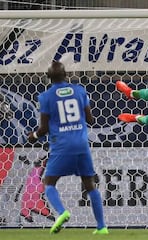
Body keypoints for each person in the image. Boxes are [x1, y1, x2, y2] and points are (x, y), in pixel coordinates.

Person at [27, 61, 108, 235]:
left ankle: (62, 212)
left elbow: (44, 128)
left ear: (49, 77)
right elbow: (91, 120)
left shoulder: (46, 97)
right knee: (90, 185)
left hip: (61, 146)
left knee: (49, 183)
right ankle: (102, 227)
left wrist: (33, 136)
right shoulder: (79, 91)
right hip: (81, 144)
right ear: (66, 75)